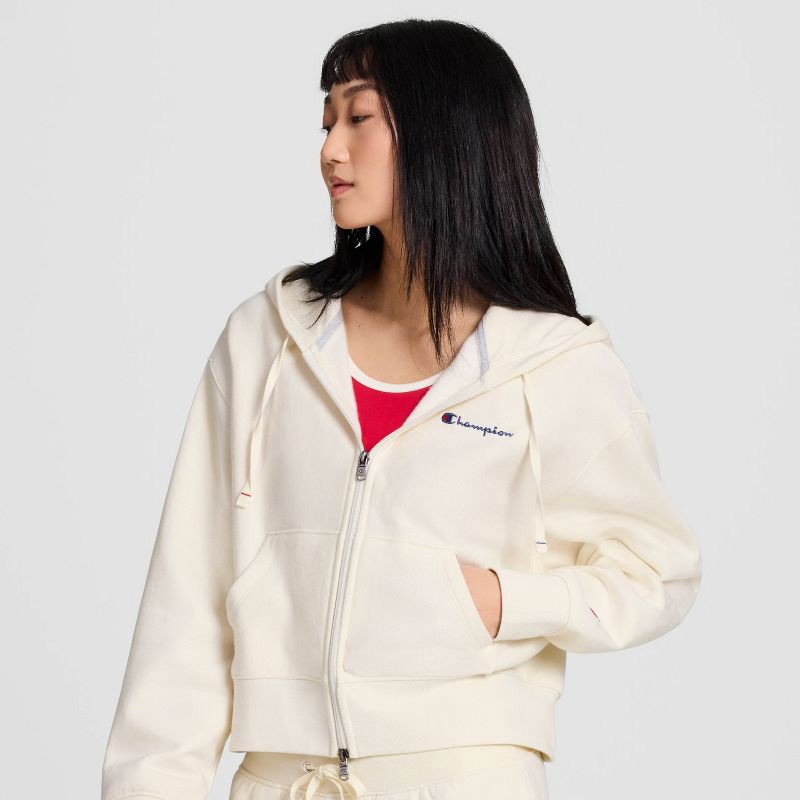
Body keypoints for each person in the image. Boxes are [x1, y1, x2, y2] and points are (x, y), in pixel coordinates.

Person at [101, 18, 703, 800]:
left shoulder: (552, 364)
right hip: (282, 780)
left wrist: (504, 601)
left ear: (443, 131)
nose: (330, 150)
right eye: (326, 122)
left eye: (358, 117)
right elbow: (184, 606)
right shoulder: (267, 340)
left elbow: (660, 571)